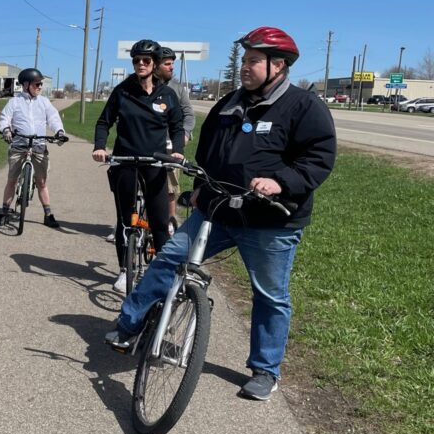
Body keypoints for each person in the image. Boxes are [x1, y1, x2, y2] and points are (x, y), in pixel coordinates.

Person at [105, 26, 337, 401]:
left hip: (271, 221)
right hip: (216, 212)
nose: (245, 67)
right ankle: (129, 324)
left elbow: (319, 157)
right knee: (168, 259)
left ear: (278, 65)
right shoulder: (229, 103)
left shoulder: (303, 107)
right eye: (244, 60)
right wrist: (199, 189)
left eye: (253, 61)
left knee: (270, 296)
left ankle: (264, 370)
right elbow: (210, 152)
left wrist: (281, 182)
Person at [92, 39, 185, 292]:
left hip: (155, 163)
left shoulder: (167, 94)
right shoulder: (123, 91)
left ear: (154, 64)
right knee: (126, 220)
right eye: (136, 61)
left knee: (159, 220)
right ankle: (125, 269)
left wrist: (177, 151)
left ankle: (162, 273)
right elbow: (104, 122)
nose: (140, 64)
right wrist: (100, 147)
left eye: (145, 60)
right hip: (125, 162)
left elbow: (177, 127)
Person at [0, 67, 66, 229]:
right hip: (19, 145)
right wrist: (6, 129)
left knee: (41, 182)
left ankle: (48, 214)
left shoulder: (44, 102)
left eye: (41, 84)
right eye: (37, 84)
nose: (40, 87)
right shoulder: (14, 102)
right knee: (12, 180)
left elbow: (53, 118)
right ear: (26, 85)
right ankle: (5, 212)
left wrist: (59, 132)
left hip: (39, 145)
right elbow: (4, 118)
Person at [156, 46, 196, 219]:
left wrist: (185, 133)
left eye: (172, 64)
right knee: (135, 186)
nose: (172, 67)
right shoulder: (143, 85)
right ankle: (126, 224)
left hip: (170, 146)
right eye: (167, 64)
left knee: (170, 188)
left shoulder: (178, 88)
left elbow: (189, 114)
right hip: (144, 144)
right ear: (155, 65)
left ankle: (170, 223)